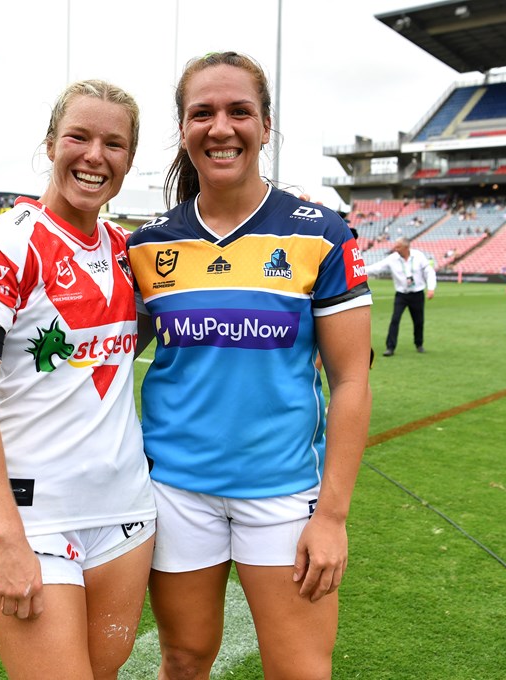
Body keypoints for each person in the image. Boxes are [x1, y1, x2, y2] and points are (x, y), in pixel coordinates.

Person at [127, 52, 372, 679]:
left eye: (240, 111)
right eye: (201, 113)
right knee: (183, 659)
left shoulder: (321, 233)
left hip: (284, 495)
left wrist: (333, 517)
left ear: (267, 126)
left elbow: (351, 380)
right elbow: (107, 350)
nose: (221, 127)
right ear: (183, 130)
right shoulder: (148, 244)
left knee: (299, 670)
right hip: (176, 491)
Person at [0, 80, 156, 679]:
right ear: (50, 143)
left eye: (114, 144)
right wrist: (5, 538)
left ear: (129, 160)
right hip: (31, 523)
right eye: (78, 137)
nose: (94, 156)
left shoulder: (129, 254)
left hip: (126, 515)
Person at [364, 236, 437, 356]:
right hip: (401, 295)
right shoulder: (392, 258)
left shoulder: (418, 256)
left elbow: (429, 272)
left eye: (398, 246)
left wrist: (431, 288)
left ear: (406, 247)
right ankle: (390, 347)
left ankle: (419, 344)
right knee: (395, 319)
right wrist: (357, 270)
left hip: (417, 294)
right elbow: (376, 268)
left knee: (418, 321)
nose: (395, 248)